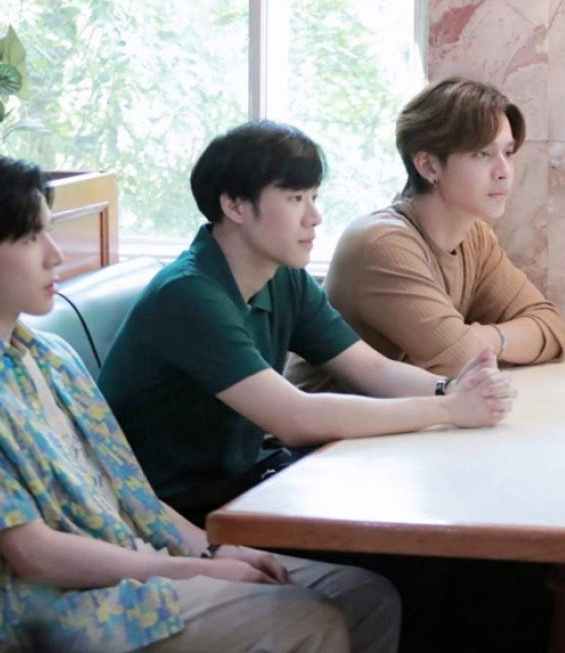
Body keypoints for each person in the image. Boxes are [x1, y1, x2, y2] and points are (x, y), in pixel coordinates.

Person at [0, 156, 399, 653]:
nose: (55, 255)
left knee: (366, 597)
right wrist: (189, 570)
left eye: (49, 232)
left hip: (141, 554)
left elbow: (130, 492)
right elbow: (33, 554)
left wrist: (215, 551)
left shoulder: (52, 356)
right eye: (31, 237)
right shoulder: (188, 292)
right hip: (60, 604)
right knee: (306, 621)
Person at [97, 121, 516, 526]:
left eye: (314, 196)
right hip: (178, 513)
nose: (314, 216)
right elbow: (295, 418)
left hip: (248, 482)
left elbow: (370, 369)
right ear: (235, 205)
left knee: (442, 498)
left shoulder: (283, 276)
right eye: (296, 198)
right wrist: (449, 408)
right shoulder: (189, 294)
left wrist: (452, 388)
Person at [287, 77, 565, 392]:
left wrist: (480, 338)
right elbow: (458, 359)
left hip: (408, 418)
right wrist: (479, 342)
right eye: (482, 154)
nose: (504, 171)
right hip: (329, 423)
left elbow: (551, 327)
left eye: (508, 152)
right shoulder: (382, 243)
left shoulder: (474, 237)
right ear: (428, 166)